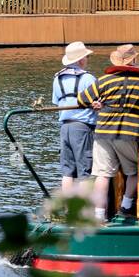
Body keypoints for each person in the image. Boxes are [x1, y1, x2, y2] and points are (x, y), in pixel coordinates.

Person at [79, 43, 139, 223]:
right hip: (129, 134)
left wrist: (97, 103)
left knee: (103, 174)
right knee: (134, 171)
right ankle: (126, 207)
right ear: (134, 60)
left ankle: (98, 216)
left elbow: (82, 99)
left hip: (104, 131)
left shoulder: (105, 80)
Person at [54, 41, 97, 198]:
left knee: (67, 171)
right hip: (83, 126)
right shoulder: (88, 78)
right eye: (86, 57)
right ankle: (85, 209)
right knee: (85, 169)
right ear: (81, 60)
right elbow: (98, 102)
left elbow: (57, 101)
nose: (87, 60)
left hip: (65, 127)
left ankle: (68, 208)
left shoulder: (57, 78)